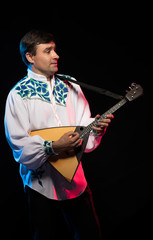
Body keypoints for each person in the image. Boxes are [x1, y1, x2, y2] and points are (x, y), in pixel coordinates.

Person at [4, 30, 114, 240]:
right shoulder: (18, 95)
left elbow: (83, 124)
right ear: (30, 57)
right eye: (48, 51)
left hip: (75, 181)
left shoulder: (70, 84)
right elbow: (19, 145)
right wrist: (53, 146)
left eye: (54, 49)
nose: (56, 55)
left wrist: (96, 128)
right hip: (40, 186)